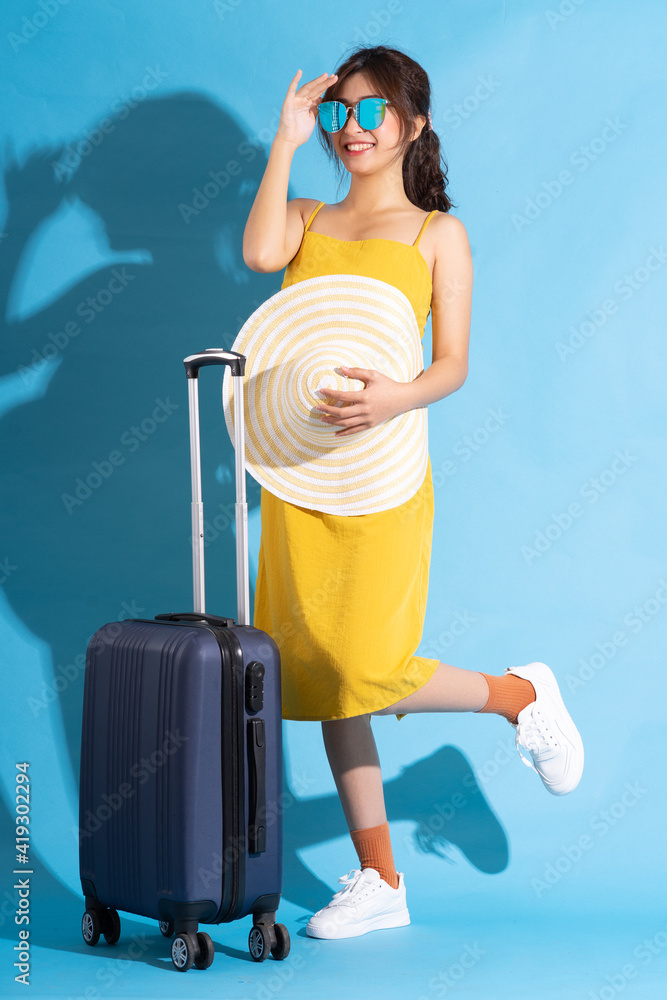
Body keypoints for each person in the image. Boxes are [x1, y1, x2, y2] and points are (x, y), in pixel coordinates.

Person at [243, 44, 584, 941]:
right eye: (336, 113)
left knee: (363, 662)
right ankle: (380, 877)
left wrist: (394, 396)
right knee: (318, 673)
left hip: (382, 474)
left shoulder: (438, 233)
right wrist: (283, 139)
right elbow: (256, 253)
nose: (350, 129)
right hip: (297, 471)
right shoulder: (308, 215)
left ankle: (519, 695)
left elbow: (452, 365)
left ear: (413, 124)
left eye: (370, 111)